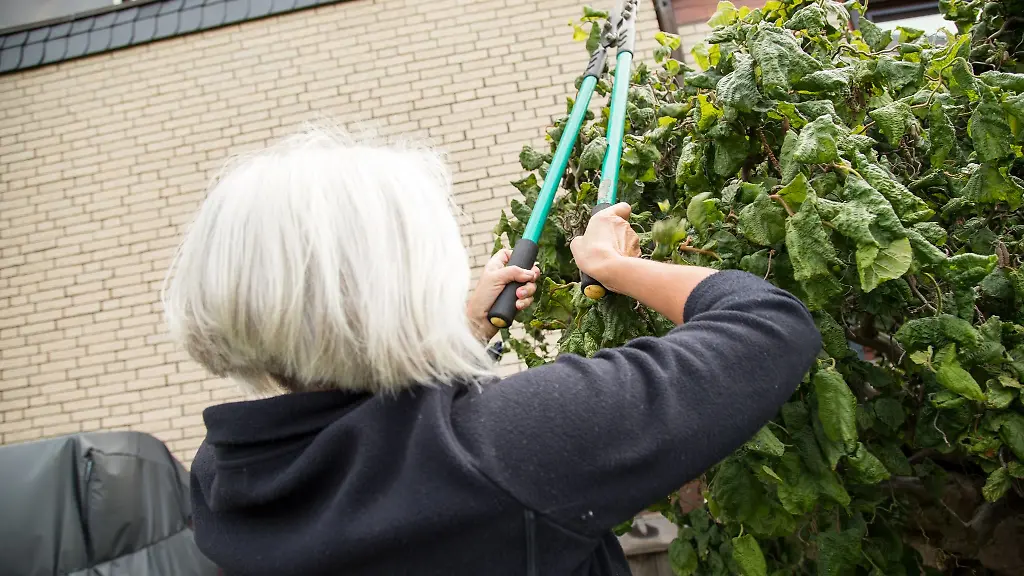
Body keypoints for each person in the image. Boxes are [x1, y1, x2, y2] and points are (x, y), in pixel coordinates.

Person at [163, 125, 821, 576]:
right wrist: (613, 266)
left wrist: (464, 332)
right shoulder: (513, 445)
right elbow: (767, 324)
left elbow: (386, 442)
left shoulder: (226, 474)